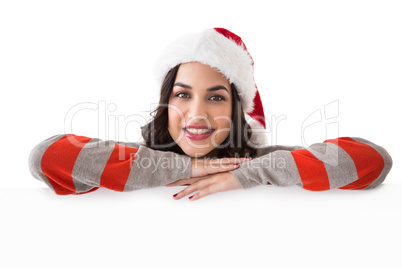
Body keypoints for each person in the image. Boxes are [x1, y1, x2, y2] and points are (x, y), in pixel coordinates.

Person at [28, 27, 393, 201]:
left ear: (236, 111)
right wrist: (184, 168)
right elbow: (48, 156)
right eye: (183, 94)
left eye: (216, 98)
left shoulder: (257, 160)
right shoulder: (137, 158)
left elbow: (373, 160)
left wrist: (251, 174)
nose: (197, 114)